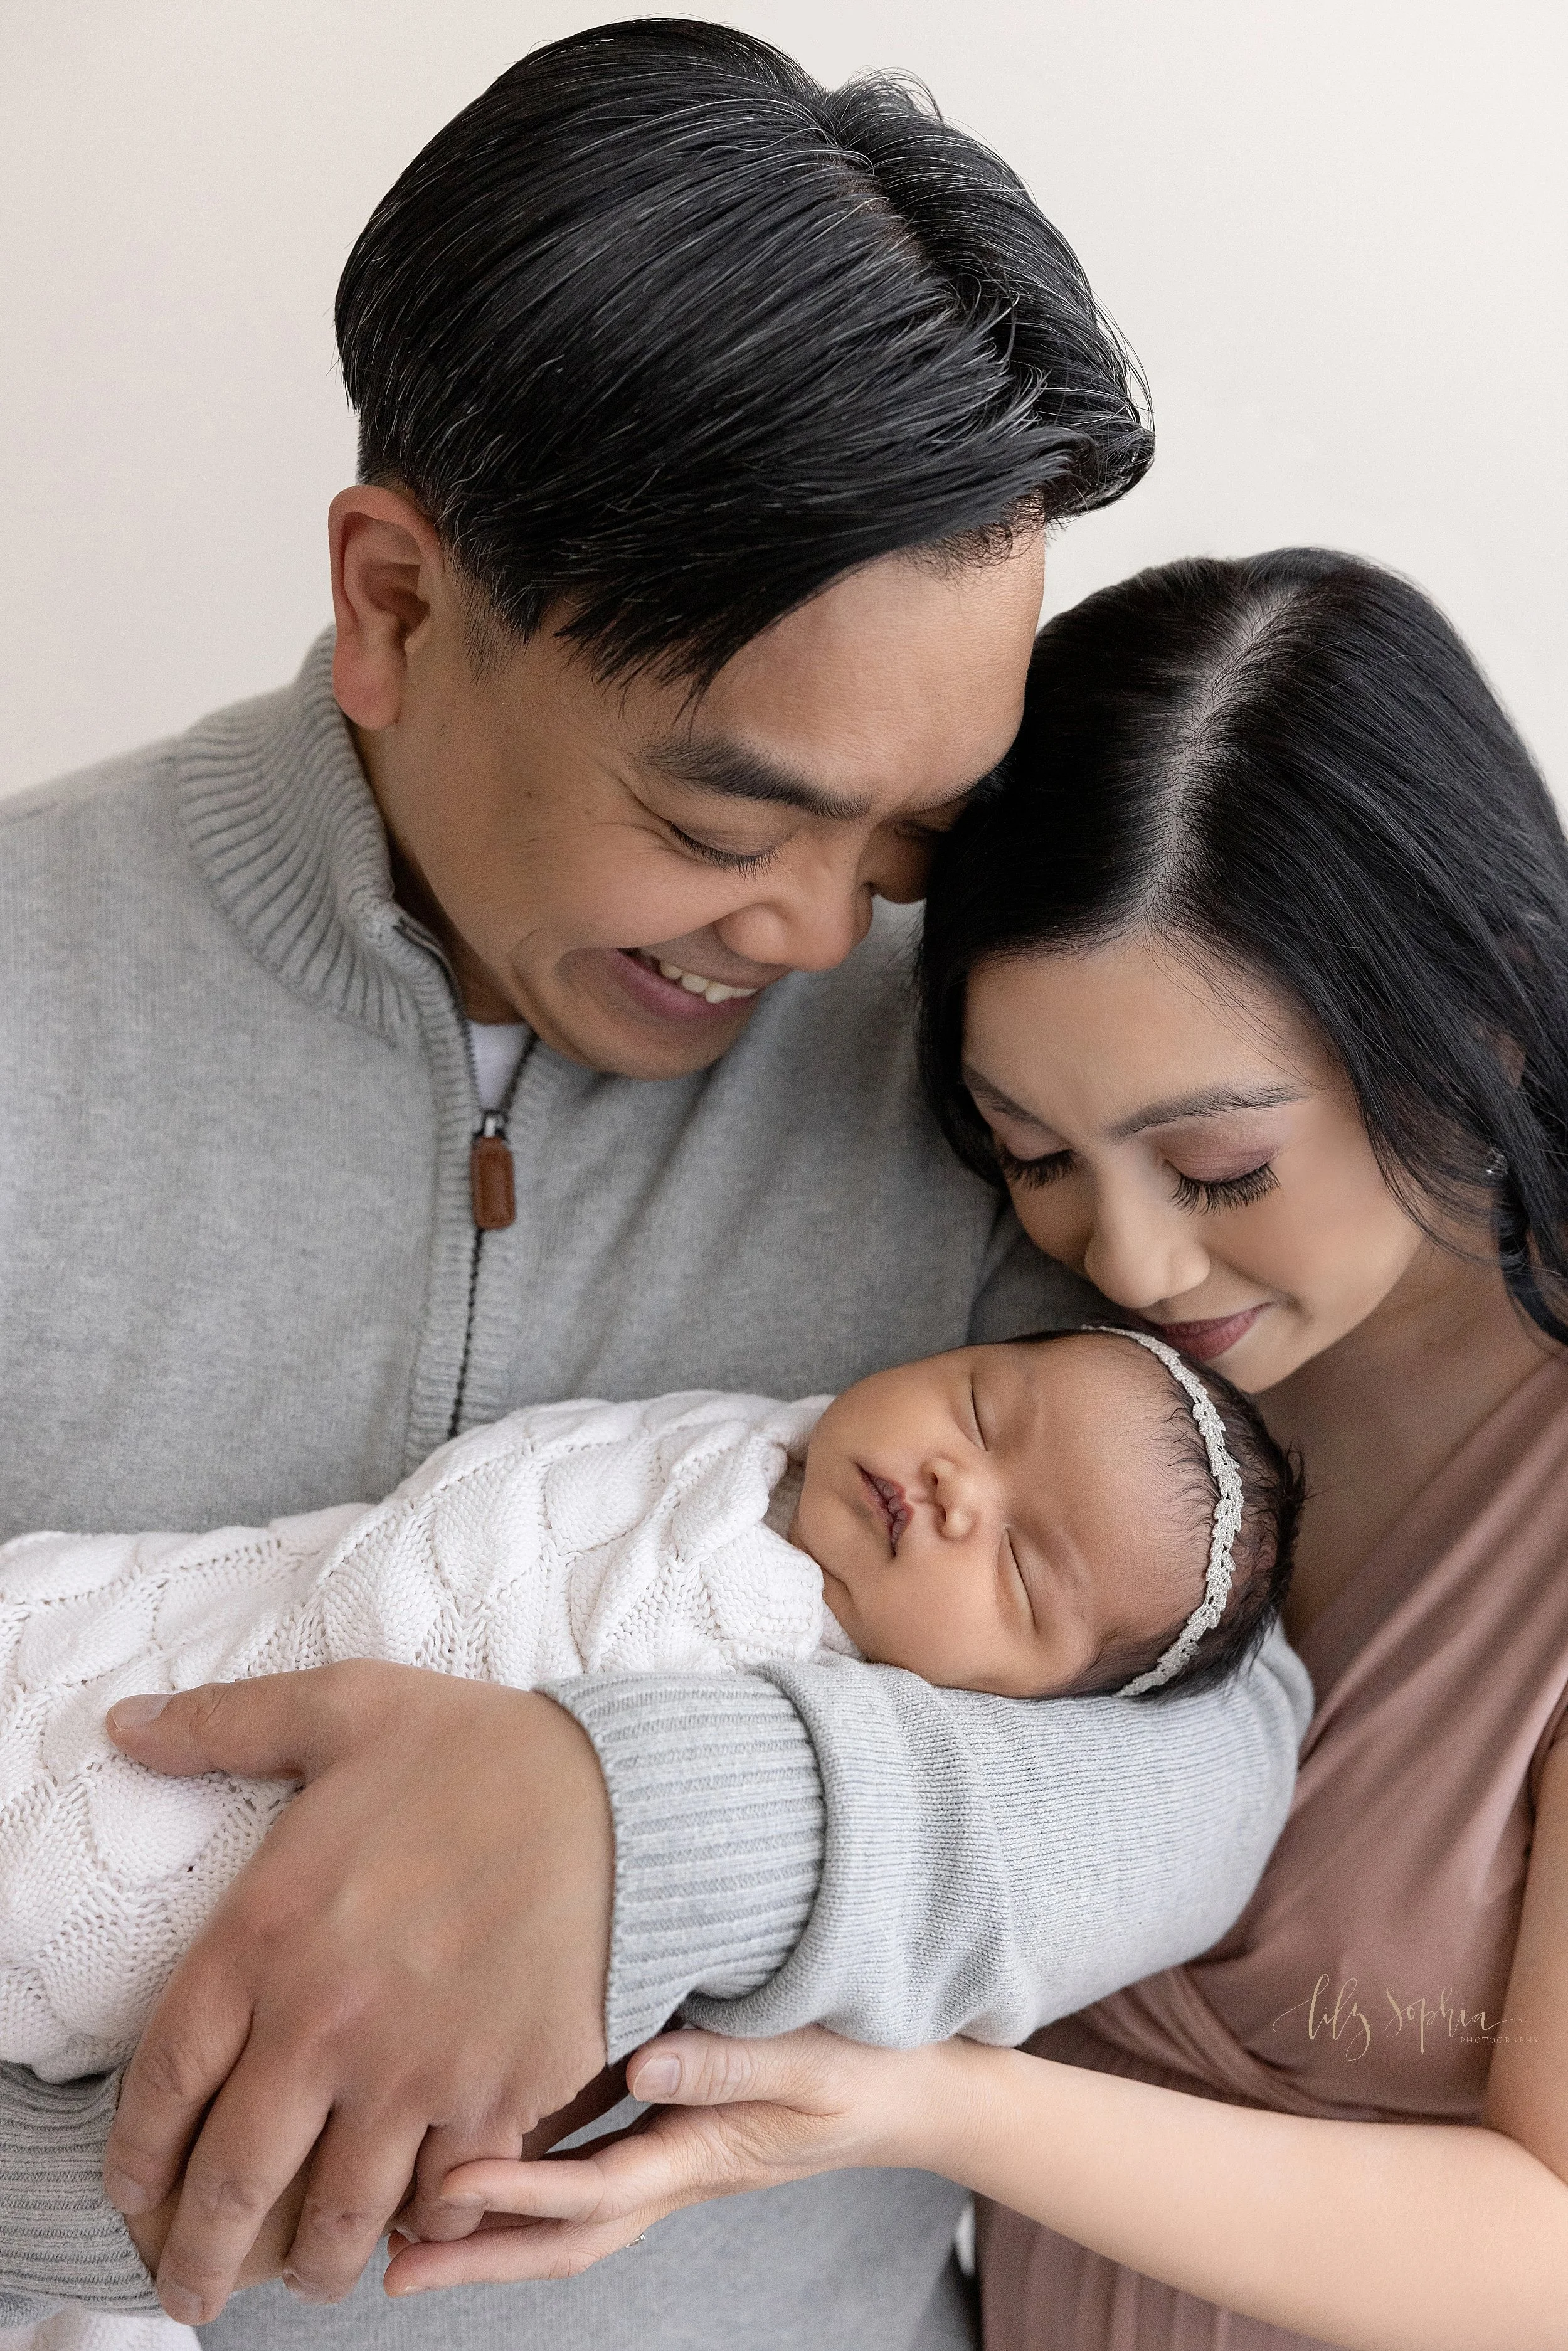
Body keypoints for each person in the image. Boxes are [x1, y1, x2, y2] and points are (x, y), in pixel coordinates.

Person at [0, 26, 1311, 2350]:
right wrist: (108, 2204)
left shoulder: (993, 1056)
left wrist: (656, 1819)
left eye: (912, 828)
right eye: (725, 823)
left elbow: (1212, 1732)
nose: (824, 934)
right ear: (396, 603)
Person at [445, 548, 1568, 2350]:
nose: (1128, 1261)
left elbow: (1549, 2245)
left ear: (1481, 1012)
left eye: (1216, 1170)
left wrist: (929, 2103)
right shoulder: (1061, 1387)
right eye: (1031, 1152)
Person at [2, 1331, 1301, 2093]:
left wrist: (663, 1814)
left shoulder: (812, 1682)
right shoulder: (752, 1451)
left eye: (1020, 1570)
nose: (960, 1486)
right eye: (977, 1406)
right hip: (194, 1627)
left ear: (1024, 1712)